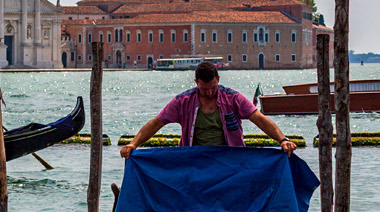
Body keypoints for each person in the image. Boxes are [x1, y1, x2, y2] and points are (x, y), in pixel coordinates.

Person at [120, 61, 296, 158]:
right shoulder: (183, 101)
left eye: (213, 87)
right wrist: (133, 144)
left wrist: (282, 140)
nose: (210, 92)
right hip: (194, 160)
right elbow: (156, 122)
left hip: (230, 159)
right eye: (205, 89)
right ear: (196, 83)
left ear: (218, 79)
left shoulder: (233, 98)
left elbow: (259, 119)